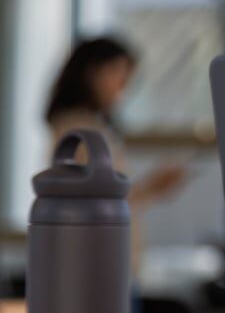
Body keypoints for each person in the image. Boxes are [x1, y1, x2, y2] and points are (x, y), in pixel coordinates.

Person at [44, 37, 189, 265]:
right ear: (92, 72)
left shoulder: (90, 126)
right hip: (100, 266)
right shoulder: (79, 131)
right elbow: (95, 206)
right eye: (117, 73)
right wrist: (152, 186)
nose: (123, 85)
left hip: (111, 262)